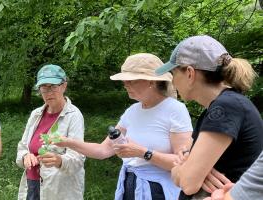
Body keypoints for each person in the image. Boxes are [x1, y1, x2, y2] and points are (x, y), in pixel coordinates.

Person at [55, 53, 193, 200]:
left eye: (131, 80)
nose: (125, 84)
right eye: (124, 80)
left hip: (158, 191)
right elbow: (103, 150)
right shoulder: (132, 111)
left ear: (151, 81)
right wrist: (67, 142)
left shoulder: (175, 109)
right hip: (129, 185)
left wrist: (142, 152)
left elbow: (185, 164)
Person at [155, 35, 263, 199]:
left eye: (173, 73)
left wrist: (181, 167)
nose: (173, 82)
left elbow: (188, 184)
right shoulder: (220, 107)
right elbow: (183, 175)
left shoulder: (225, 108)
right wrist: (186, 166)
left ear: (190, 73)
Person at [16, 64, 86, 200]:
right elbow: (22, 147)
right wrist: (25, 156)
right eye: (44, 88)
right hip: (32, 184)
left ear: (64, 86)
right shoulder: (36, 114)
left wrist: (59, 160)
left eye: (53, 87)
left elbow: (78, 158)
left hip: (59, 190)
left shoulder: (74, 115)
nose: (48, 93)